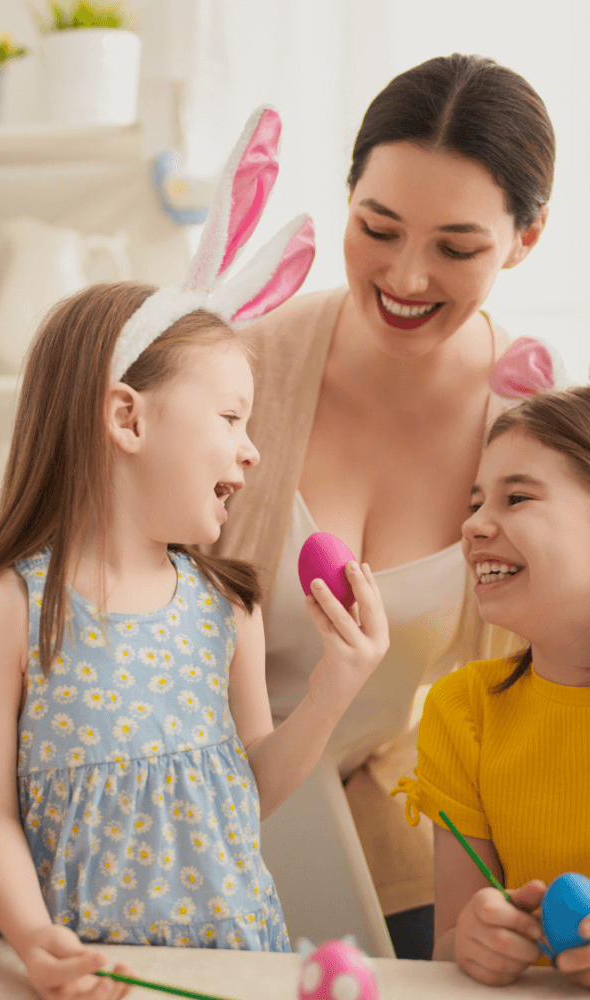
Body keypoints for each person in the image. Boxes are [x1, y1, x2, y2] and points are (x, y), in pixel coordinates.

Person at [0, 106, 389, 1000]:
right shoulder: (8, 609)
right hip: (93, 980)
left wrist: (337, 689)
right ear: (126, 416)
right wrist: (35, 942)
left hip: (238, 966)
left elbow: (248, 784)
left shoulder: (229, 606)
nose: (252, 449)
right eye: (230, 418)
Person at [211, 53, 555, 959]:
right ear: (348, 198)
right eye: (379, 227)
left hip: (381, 841)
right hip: (188, 820)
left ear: (524, 239)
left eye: (456, 246)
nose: (406, 277)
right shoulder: (234, 366)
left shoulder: (532, 426)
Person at [391, 386, 590, 988]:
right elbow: (450, 942)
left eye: (518, 497)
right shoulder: (462, 711)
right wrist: (469, 942)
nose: (474, 525)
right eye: (476, 502)